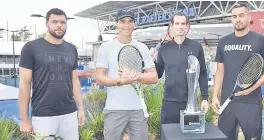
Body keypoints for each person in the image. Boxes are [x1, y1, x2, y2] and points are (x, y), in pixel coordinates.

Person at [210, 3, 264, 140]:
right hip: (227, 103)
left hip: (251, 103)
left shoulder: (261, 40)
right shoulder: (223, 42)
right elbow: (219, 71)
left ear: (249, 17)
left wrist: (253, 87)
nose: (237, 19)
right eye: (234, 16)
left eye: (241, 15)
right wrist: (215, 96)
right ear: (231, 19)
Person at [18, 8, 85, 139]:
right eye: (54, 22)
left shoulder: (71, 49)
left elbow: (74, 80)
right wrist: (24, 119)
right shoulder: (31, 48)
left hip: (69, 113)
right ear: (46, 23)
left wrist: (81, 108)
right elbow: (24, 84)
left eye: (62, 22)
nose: (59, 25)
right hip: (43, 115)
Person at [95, 8, 158, 140]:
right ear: (116, 23)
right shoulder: (105, 47)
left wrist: (136, 76)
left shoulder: (142, 47)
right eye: (123, 21)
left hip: (137, 110)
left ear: (134, 24)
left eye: (130, 21)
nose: (126, 25)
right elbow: (99, 77)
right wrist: (120, 81)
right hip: (114, 109)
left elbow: (154, 77)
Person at [156, 12, 209, 125]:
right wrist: (146, 67)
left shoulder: (196, 46)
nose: (180, 26)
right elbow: (158, 73)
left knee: (190, 136)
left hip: (190, 103)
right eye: (177, 23)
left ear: (187, 25)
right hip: (169, 102)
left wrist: (205, 98)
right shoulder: (164, 48)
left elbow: (202, 72)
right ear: (172, 25)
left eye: (183, 23)